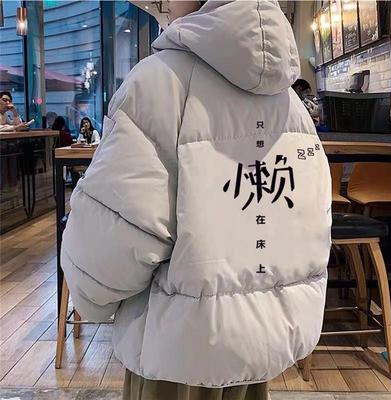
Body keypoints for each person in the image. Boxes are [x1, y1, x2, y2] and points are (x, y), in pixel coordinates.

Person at [61, 1, 332, 400]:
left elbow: (104, 254)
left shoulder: (158, 85)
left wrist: (90, 299)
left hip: (175, 355)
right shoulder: (290, 102)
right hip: (256, 356)